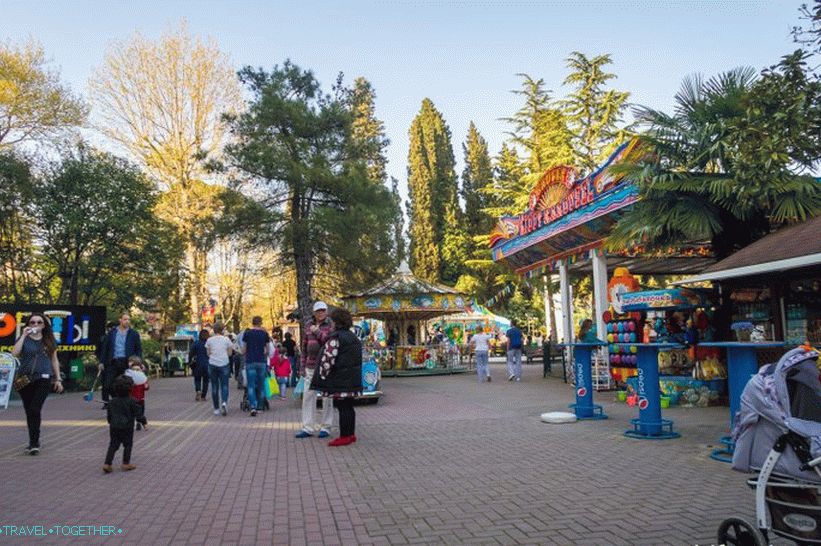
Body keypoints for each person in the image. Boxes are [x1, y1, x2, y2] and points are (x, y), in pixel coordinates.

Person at [11, 313, 64, 455]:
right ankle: (33, 442)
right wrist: (23, 335)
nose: (35, 325)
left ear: (44, 325)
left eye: (39, 322)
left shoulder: (49, 340)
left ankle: (35, 442)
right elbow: (14, 353)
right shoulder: (24, 339)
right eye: (32, 322)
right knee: (29, 412)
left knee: (35, 409)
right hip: (25, 379)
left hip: (43, 378)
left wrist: (58, 379)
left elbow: (54, 359)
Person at [310, 308, 362, 446]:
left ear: (336, 322)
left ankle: (344, 436)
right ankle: (351, 434)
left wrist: (322, 374)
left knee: (342, 406)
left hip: (340, 379)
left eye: (332, 321)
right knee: (349, 407)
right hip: (352, 378)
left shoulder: (336, 338)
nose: (330, 323)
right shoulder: (354, 338)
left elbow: (328, 359)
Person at [296, 301, 334, 438]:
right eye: (318, 311)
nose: (321, 313)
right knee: (308, 396)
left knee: (326, 397)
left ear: (326, 311)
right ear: (314, 312)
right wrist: (302, 366)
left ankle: (326, 427)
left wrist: (317, 332)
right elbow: (304, 347)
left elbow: (329, 342)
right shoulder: (307, 326)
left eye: (323, 310)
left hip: (325, 365)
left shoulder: (330, 325)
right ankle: (307, 427)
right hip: (310, 365)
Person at [100, 312, 142, 408]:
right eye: (125, 319)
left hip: (127, 362)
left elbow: (138, 349)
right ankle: (114, 400)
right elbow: (105, 348)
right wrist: (102, 362)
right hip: (113, 361)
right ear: (120, 320)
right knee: (107, 384)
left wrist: (138, 363)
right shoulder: (112, 333)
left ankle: (126, 402)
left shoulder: (133, 334)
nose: (127, 321)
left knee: (127, 384)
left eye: (128, 320)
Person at [102, 375, 141, 473]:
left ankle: (107, 463)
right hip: (127, 427)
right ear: (130, 389)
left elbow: (109, 415)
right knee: (128, 444)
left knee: (113, 445)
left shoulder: (111, 402)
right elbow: (138, 413)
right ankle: (125, 463)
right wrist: (143, 421)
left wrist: (110, 421)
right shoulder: (132, 401)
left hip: (114, 426)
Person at [241, 317, 270, 417]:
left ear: (252, 323)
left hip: (250, 361)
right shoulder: (264, 334)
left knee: (251, 385)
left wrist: (244, 352)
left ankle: (253, 406)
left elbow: (244, 349)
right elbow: (267, 350)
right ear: (261, 323)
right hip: (261, 362)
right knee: (261, 385)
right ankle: (260, 407)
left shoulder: (247, 333)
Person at [205, 323, 233, 416]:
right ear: (222, 330)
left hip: (212, 364)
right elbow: (230, 353)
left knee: (214, 386)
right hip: (224, 363)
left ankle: (216, 408)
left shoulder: (209, 340)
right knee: (224, 385)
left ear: (214, 329)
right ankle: (224, 402)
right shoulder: (226, 339)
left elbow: (208, 353)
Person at [125, 356, 149, 430]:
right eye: (134, 369)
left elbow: (146, 388)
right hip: (132, 398)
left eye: (137, 369)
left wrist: (146, 385)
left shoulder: (142, 378)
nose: (136, 371)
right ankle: (133, 423)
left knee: (141, 412)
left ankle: (140, 423)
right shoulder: (130, 377)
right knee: (131, 411)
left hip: (141, 399)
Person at [189, 329, 210, 402]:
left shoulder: (196, 343)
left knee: (197, 379)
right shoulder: (209, 344)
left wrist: (189, 362)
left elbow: (190, 353)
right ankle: (203, 396)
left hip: (197, 364)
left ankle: (198, 390)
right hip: (207, 364)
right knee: (206, 380)